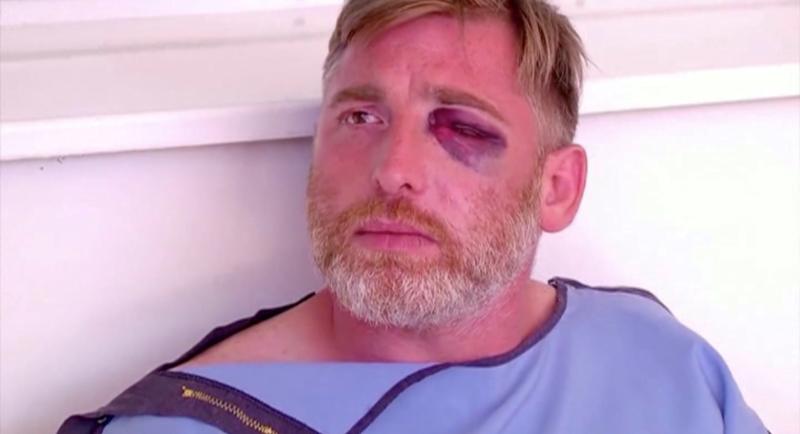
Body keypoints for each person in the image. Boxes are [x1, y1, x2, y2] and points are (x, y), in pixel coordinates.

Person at [58, 1, 768, 433]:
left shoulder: (658, 358)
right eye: (361, 117)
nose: (393, 168)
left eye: (460, 125)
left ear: (556, 188)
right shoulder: (192, 423)